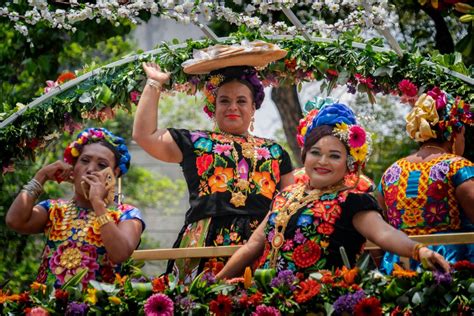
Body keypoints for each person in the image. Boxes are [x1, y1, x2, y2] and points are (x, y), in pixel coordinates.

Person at [216, 103, 450, 279]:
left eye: (335, 156)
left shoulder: (352, 201)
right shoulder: (285, 196)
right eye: (315, 152)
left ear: (349, 162)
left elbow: (385, 234)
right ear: (305, 155)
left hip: (319, 303)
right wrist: (215, 282)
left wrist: (419, 251)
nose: (323, 161)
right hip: (269, 302)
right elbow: (252, 247)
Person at [132, 47, 294, 282]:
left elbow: (289, 204)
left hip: (260, 244)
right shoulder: (197, 142)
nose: (232, 107)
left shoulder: (276, 151)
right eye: (224, 101)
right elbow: (145, 136)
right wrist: (154, 84)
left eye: (241, 101)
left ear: (253, 107)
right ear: (214, 106)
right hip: (204, 244)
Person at [6, 128, 145, 288]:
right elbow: (14, 221)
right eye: (84, 161)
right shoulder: (54, 209)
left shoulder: (127, 214)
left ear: (113, 173)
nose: (91, 169)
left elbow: (120, 253)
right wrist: (41, 176)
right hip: (46, 308)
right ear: (73, 167)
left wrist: (98, 203)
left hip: (96, 310)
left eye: (101, 165)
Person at [377, 88, 474, 273]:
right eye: (463, 134)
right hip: (449, 268)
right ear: (453, 132)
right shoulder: (457, 167)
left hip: (400, 271)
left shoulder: (391, 173)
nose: (464, 140)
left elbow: (381, 230)